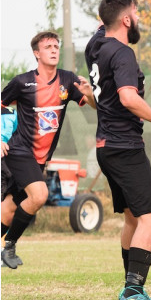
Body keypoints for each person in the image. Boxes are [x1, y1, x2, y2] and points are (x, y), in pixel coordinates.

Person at [85, 0, 151, 300]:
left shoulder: (95, 47)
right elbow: (127, 96)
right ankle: (133, 290)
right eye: (135, 13)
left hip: (106, 147)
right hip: (124, 146)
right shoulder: (122, 53)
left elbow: (104, 18)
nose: (138, 18)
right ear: (126, 19)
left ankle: (131, 286)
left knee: (133, 220)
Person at [0, 31, 96, 269]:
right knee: (40, 195)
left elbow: (93, 105)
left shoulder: (67, 80)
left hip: (40, 159)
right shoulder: (22, 82)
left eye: (56, 46)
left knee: (9, 210)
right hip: (19, 151)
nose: (54, 50)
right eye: (48, 47)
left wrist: (89, 94)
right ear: (37, 54)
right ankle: (9, 246)